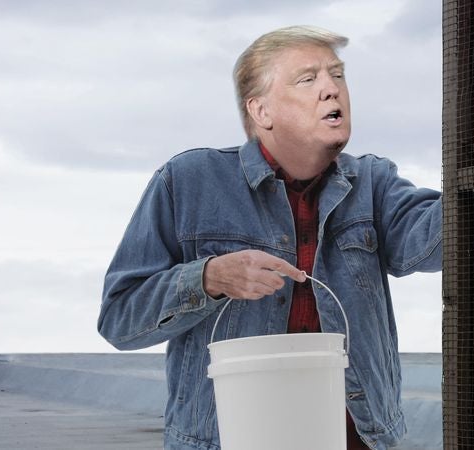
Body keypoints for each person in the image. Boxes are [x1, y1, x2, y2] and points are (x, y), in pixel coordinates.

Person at [98, 25, 442, 450]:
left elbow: (441, 244)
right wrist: (208, 279)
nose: (332, 89)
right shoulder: (187, 181)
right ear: (261, 111)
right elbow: (119, 321)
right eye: (308, 78)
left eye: (337, 75)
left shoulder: (375, 182)